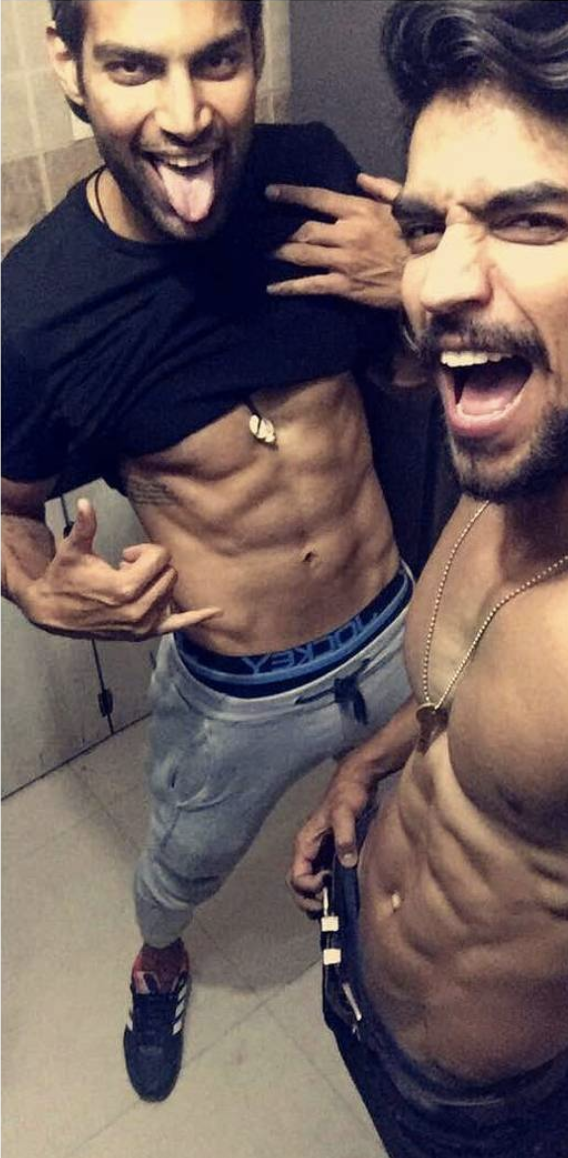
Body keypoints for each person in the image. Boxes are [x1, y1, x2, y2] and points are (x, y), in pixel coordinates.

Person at [1, 0, 414, 1103]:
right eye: (135, 67)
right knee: (181, 867)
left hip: (400, 626)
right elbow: (7, 508)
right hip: (239, 691)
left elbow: (409, 380)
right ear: (70, 65)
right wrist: (39, 590)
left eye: (217, 59)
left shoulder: (312, 177)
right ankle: (158, 961)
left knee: (405, 818)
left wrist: (416, 283)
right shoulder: (35, 309)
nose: (186, 116)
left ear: (255, 50)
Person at [288, 2, 568, 1156]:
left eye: (530, 219)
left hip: (476, 1108)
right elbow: (474, 695)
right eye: (423, 228)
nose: (434, 286)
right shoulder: (517, 449)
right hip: (353, 960)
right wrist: (373, 762)